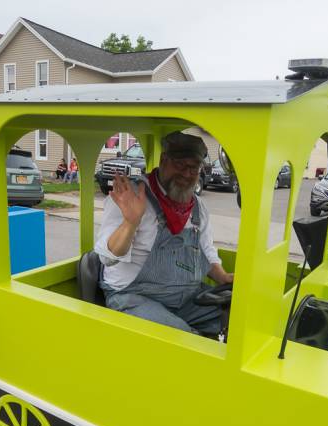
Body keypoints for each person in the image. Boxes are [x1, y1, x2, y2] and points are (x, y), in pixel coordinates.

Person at [94, 131, 234, 334]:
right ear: (163, 160)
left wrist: (222, 277)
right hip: (133, 296)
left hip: (184, 296)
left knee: (238, 321)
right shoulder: (130, 196)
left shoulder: (198, 207)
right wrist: (131, 221)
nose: (186, 174)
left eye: (193, 167)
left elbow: (204, 249)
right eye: (180, 165)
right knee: (186, 340)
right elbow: (107, 258)